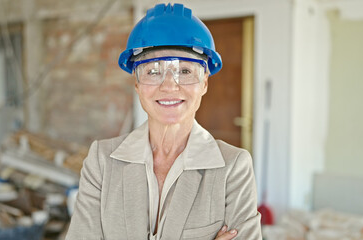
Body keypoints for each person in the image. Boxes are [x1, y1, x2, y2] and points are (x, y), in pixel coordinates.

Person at [66, 3, 262, 240]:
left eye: (186, 71)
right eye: (152, 71)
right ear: (137, 83)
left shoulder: (233, 168)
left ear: (205, 83)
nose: (169, 85)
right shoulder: (102, 162)